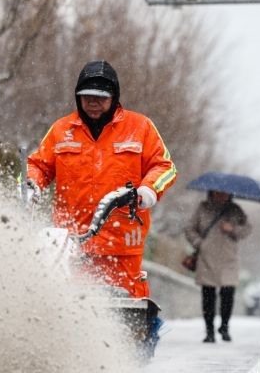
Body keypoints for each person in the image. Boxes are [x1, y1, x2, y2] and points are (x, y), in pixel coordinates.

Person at [25, 60, 177, 303]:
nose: (93, 104)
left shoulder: (140, 127)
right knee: (70, 307)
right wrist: (33, 185)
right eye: (87, 98)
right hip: (72, 243)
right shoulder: (61, 130)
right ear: (78, 97)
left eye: (100, 98)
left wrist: (147, 190)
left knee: (127, 311)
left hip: (122, 245)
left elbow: (164, 166)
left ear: (114, 97)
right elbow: (38, 165)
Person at [184, 190, 252, 343]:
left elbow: (247, 229)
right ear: (211, 193)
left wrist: (232, 229)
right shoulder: (203, 208)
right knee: (208, 295)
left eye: (225, 193)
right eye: (218, 193)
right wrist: (200, 243)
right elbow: (189, 228)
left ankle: (225, 327)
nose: (222, 195)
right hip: (207, 257)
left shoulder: (235, 210)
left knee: (228, 294)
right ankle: (209, 331)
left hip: (229, 259)